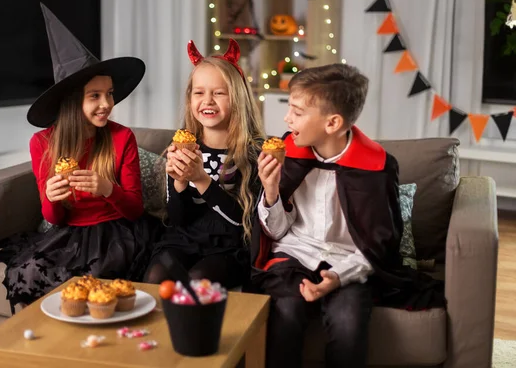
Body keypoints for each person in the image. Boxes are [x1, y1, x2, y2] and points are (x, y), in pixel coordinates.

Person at [251, 64, 444, 368]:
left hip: (349, 264)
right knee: (285, 314)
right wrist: (271, 191)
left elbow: (380, 243)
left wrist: (338, 277)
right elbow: (275, 234)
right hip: (295, 257)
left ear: (333, 123)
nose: (287, 119)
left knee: (348, 321)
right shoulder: (289, 153)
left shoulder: (377, 168)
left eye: (297, 112)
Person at [0, 4, 147, 313]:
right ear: (73, 103)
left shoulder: (122, 137)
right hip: (69, 234)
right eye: (95, 96)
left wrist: (107, 189)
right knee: (31, 270)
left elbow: (134, 210)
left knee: (99, 279)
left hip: (116, 231)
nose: (107, 104)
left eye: (110, 93)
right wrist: (50, 198)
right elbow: (55, 218)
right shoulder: (42, 143)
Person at [143, 39, 264, 289]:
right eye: (199, 92)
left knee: (199, 281)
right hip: (183, 240)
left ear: (238, 99)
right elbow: (177, 219)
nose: (207, 100)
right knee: (156, 277)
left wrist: (201, 179)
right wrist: (178, 182)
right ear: (190, 99)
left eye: (219, 93)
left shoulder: (253, 153)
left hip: (228, 247)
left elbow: (241, 222)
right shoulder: (181, 147)